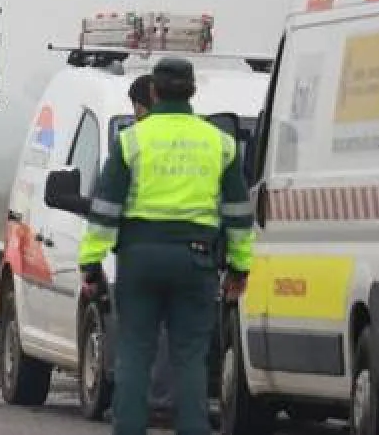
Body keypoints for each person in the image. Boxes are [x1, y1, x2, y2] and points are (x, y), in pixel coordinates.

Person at [79, 58, 254, 435]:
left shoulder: (132, 141)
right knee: (190, 357)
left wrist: (90, 265)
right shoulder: (219, 144)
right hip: (196, 260)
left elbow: (105, 210)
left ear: (154, 92)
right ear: (193, 91)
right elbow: (239, 214)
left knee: (135, 352)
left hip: (139, 259)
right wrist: (239, 269)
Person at [126, 74, 174, 425]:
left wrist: (92, 261)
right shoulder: (205, 138)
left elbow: (109, 204)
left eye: (136, 107)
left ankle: (153, 403)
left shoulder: (135, 141)